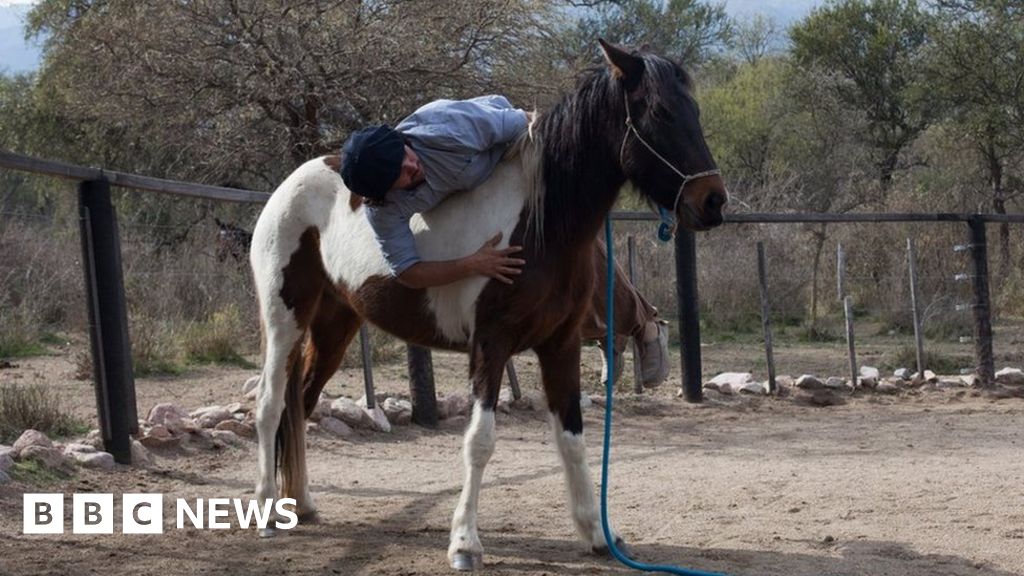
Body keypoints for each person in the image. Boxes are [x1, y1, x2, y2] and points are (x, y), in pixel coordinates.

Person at [340, 95, 668, 387]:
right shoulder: (382, 211)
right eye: (402, 173)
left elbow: (528, 121)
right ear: (384, 194)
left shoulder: (449, 129)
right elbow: (408, 271)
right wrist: (471, 264)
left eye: (405, 154)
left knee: (566, 232)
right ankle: (607, 332)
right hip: (464, 189)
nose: (411, 164)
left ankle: (644, 325)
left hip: (505, 150)